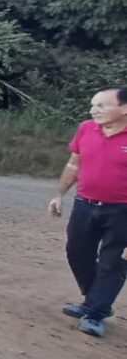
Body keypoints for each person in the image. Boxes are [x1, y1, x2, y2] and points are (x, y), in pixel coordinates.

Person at [49, 86, 127, 338]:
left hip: (122, 212)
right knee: (76, 252)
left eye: (101, 105)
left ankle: (94, 311)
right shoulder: (86, 128)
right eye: (93, 105)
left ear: (124, 108)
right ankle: (94, 300)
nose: (94, 110)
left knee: (112, 263)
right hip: (85, 203)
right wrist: (59, 195)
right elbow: (74, 163)